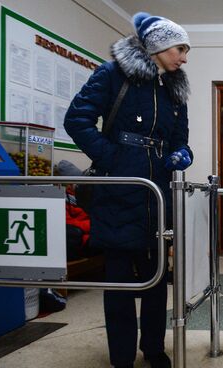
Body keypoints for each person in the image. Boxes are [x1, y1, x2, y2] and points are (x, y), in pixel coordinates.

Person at [64, 12, 193, 368]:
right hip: (120, 193)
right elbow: (76, 120)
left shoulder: (175, 89)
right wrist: (113, 160)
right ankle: (121, 357)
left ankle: (153, 350)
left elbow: (180, 139)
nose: (184, 58)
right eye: (181, 49)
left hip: (158, 197)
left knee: (155, 282)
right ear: (159, 45)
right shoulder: (111, 75)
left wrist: (182, 154)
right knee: (119, 285)